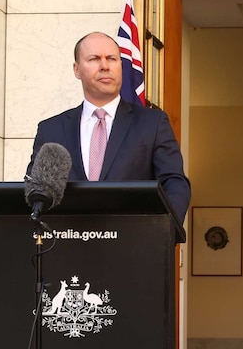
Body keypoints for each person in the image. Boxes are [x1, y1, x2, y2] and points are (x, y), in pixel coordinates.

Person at [27, 31, 191, 225]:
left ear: (121, 66)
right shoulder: (51, 129)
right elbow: (36, 191)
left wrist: (164, 231)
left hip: (133, 245)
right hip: (65, 244)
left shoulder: (152, 124)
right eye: (95, 59)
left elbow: (174, 183)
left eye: (112, 59)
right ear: (77, 69)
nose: (105, 66)